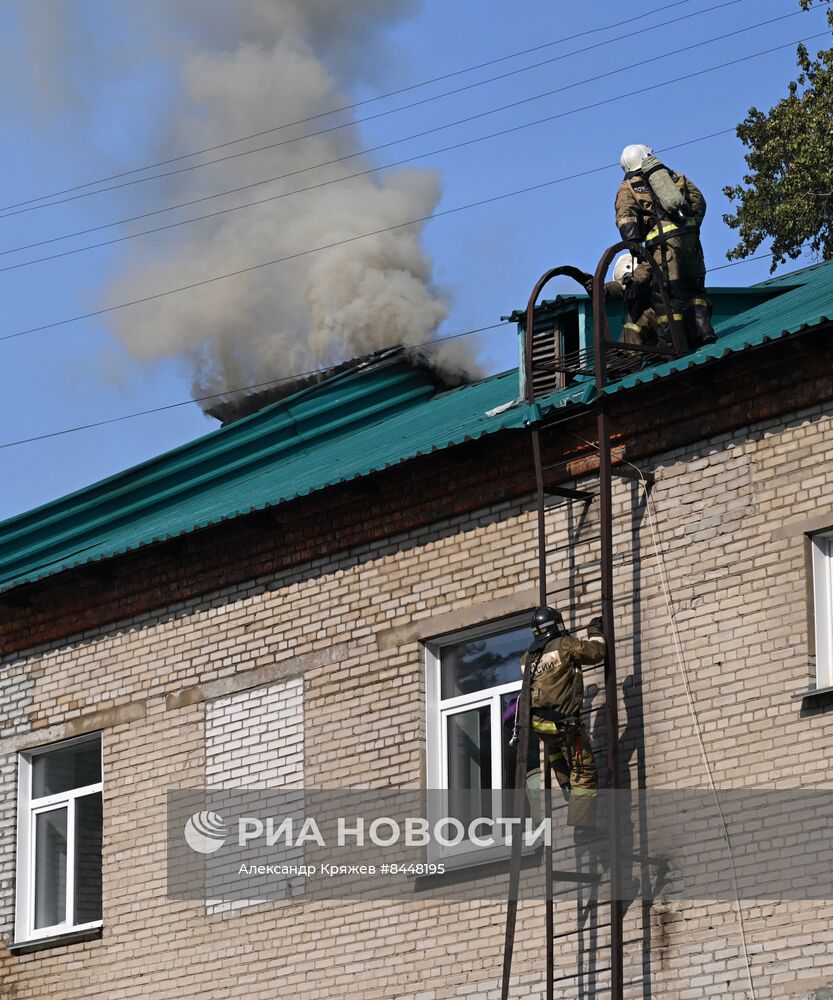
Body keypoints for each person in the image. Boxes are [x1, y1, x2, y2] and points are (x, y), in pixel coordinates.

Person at [614, 143, 716, 352]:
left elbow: (625, 216)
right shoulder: (675, 176)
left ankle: (673, 346)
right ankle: (703, 332)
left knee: (666, 297)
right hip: (690, 244)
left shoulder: (629, 187)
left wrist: (634, 243)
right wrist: (691, 227)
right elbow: (699, 201)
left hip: (664, 248)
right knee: (694, 290)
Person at [519, 606, 605, 832]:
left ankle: (565, 784)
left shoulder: (527, 658)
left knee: (555, 749)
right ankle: (582, 826)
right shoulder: (565, 644)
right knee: (584, 772)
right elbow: (595, 652)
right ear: (556, 625)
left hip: (540, 725)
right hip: (564, 725)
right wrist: (595, 631)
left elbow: (548, 686)